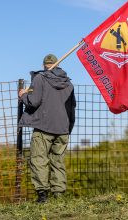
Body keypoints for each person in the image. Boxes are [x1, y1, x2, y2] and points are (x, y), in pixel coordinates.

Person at [18, 54, 76, 203]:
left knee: (39, 160)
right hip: (63, 128)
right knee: (58, 161)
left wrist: (23, 95)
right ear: (57, 65)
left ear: (44, 65)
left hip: (43, 127)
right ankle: (59, 195)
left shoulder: (40, 78)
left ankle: (42, 196)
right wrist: (68, 128)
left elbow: (33, 102)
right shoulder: (69, 84)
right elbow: (72, 108)